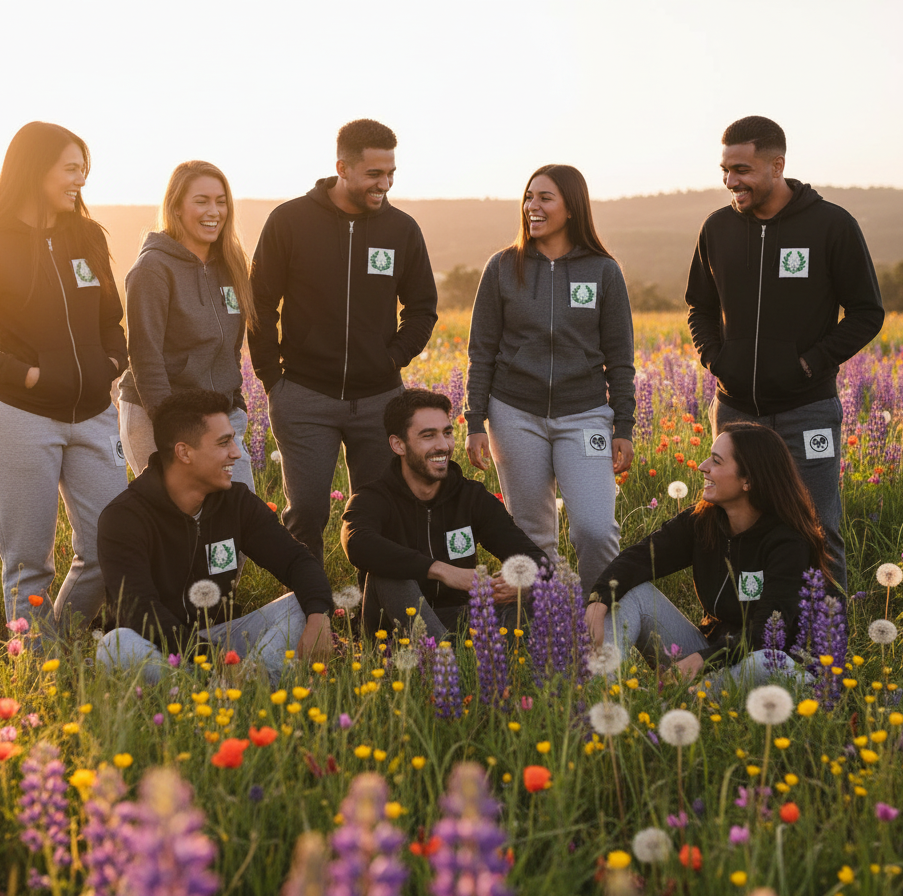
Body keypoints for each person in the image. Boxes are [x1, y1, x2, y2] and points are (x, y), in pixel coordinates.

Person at [0, 121, 128, 630]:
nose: (80, 181)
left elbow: (112, 320)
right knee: (29, 564)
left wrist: (113, 363)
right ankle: (40, 675)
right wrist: (26, 376)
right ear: (34, 170)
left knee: (110, 545)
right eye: (71, 169)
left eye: (84, 171)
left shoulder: (87, 236)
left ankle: (57, 649)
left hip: (94, 416)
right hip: (22, 419)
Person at [686, 115, 884, 593]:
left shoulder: (831, 225)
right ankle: (741, 630)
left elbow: (866, 312)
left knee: (819, 527)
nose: (731, 181)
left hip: (807, 410)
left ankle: (826, 645)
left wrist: (809, 364)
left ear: (777, 166)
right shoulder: (717, 227)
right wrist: (716, 359)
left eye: (742, 170)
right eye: (725, 170)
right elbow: (700, 306)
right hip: (735, 414)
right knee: (736, 527)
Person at [248, 118, 438, 561]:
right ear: (343, 168)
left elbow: (422, 308)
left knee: (378, 515)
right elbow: (258, 304)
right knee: (307, 514)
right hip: (303, 396)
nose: (385, 184)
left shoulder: (402, 229)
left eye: (391, 174)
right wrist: (273, 379)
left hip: (379, 401)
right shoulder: (289, 220)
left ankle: (377, 618)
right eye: (375, 174)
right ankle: (308, 616)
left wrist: (390, 358)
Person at [464, 164, 635, 598]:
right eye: (528, 197)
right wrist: (473, 421)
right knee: (532, 538)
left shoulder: (603, 271)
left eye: (544, 198)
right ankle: (545, 629)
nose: (532, 207)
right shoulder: (503, 266)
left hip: (586, 415)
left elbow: (620, 359)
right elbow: (481, 351)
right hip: (513, 413)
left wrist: (625, 428)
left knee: (596, 530)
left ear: (572, 208)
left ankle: (600, 619)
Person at [96, 389, 333, 684]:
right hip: (160, 646)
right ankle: (244, 688)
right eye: (224, 443)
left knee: (305, 604)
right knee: (114, 646)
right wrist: (212, 660)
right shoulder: (124, 517)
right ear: (184, 452)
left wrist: (320, 616)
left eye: (233, 440)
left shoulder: (236, 501)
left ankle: (242, 687)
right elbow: (139, 609)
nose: (236, 452)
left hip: (224, 638)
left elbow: (297, 560)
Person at [584, 422, 830, 685]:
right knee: (628, 592)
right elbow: (640, 558)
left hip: (767, 668)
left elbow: (767, 634)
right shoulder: (702, 520)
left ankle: (686, 702)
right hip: (710, 654)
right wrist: (598, 602)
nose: (702, 466)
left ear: (748, 480)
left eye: (716, 461)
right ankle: (602, 695)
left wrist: (701, 661)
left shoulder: (788, 542)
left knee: (766, 663)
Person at [341, 389, 548, 639]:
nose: (443, 445)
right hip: (395, 629)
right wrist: (442, 570)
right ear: (398, 445)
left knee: (543, 602)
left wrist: (524, 582)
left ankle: (457, 653)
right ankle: (443, 659)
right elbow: (357, 543)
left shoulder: (470, 496)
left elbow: (533, 556)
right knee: (389, 573)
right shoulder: (373, 498)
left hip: (461, 618)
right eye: (428, 436)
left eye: (447, 433)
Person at [117, 160, 257, 488]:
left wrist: (234, 402)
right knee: (179, 522)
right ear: (177, 207)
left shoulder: (231, 266)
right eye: (201, 201)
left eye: (221, 201)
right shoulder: (152, 269)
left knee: (239, 512)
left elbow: (231, 348)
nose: (214, 211)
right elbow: (145, 358)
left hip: (220, 417)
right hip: (158, 416)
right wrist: (174, 427)